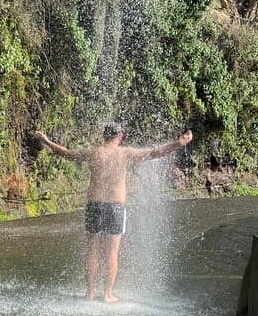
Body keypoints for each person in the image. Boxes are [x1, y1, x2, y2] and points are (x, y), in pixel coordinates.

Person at [34, 124, 193, 303]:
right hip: (115, 207)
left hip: (95, 204)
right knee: (111, 251)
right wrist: (179, 143)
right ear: (120, 136)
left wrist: (47, 141)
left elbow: (67, 153)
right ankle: (108, 294)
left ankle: (90, 294)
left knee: (92, 249)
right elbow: (155, 153)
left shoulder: (93, 153)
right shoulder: (125, 153)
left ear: (104, 136)